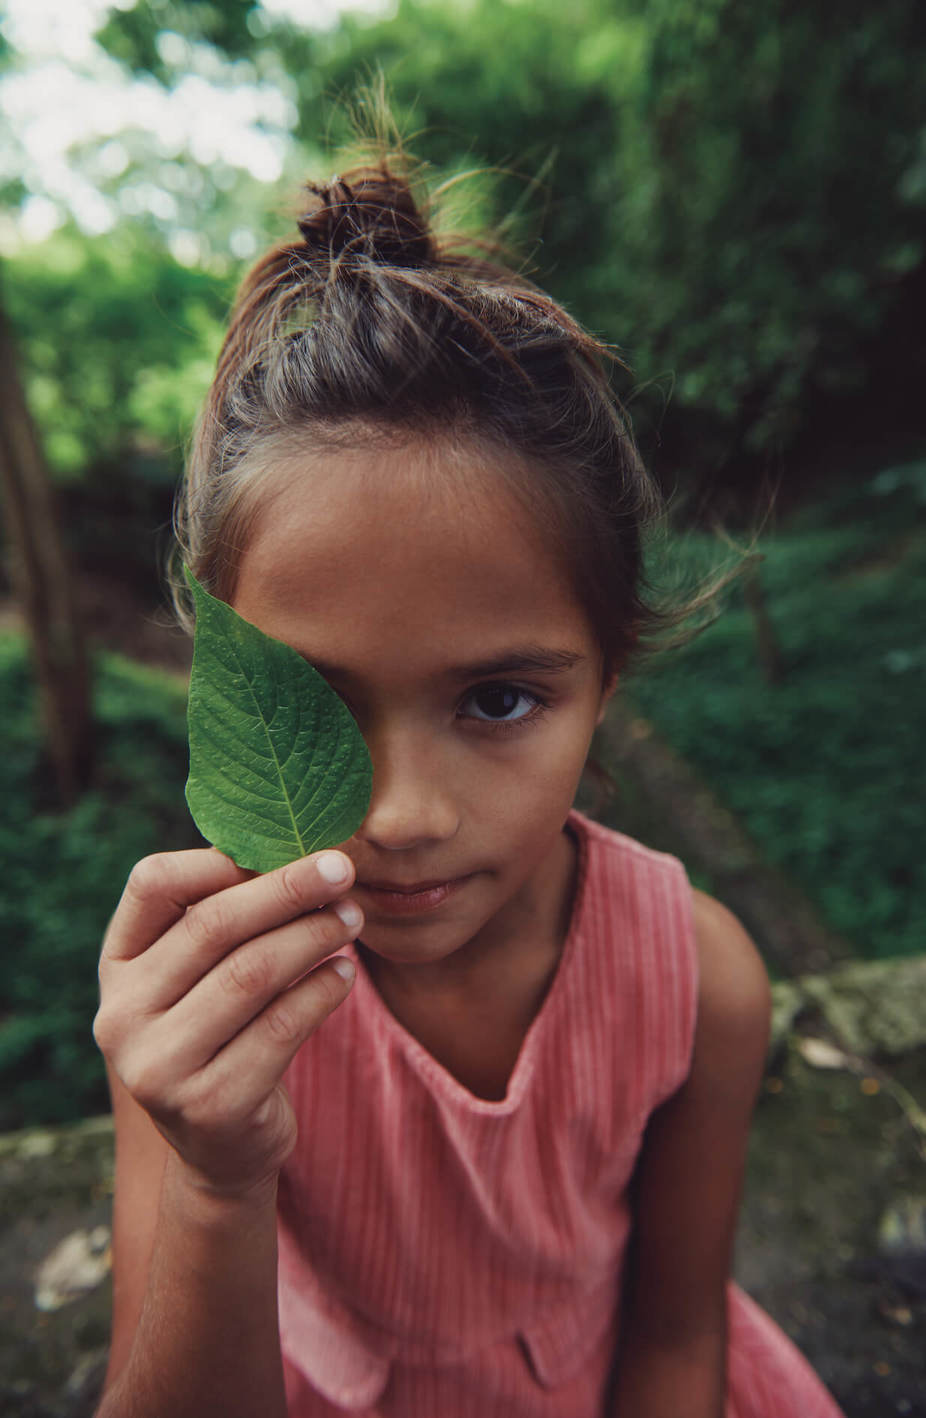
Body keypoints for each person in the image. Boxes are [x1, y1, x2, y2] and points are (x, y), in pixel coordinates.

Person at [92, 154, 845, 1418]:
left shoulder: (698, 982)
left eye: (498, 699)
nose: (397, 816)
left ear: (607, 678)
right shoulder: (200, 1016)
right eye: (314, 706)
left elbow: (672, 1342)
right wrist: (219, 1180)